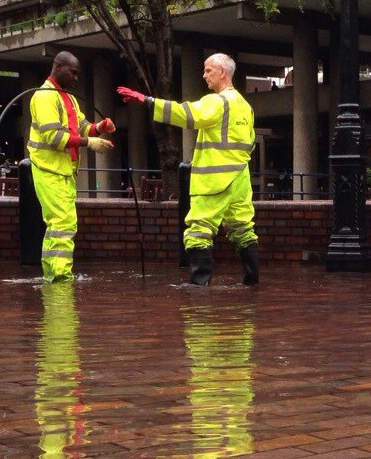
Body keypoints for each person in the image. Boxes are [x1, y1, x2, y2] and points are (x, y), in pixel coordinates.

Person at [117, 54, 259, 286]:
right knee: (243, 229)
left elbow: (186, 114)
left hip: (214, 180)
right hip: (239, 179)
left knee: (198, 229)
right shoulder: (246, 106)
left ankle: (198, 285)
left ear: (223, 72)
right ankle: (251, 282)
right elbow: (250, 143)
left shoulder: (217, 102)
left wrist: (148, 101)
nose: (204, 75)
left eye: (208, 70)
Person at [28, 51, 114, 282]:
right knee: (62, 224)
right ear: (57, 67)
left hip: (62, 172)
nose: (76, 78)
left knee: (60, 224)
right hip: (49, 170)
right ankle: (59, 276)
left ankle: (55, 274)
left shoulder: (68, 98)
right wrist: (90, 142)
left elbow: (82, 126)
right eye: (73, 72)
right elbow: (54, 138)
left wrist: (100, 128)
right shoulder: (45, 97)